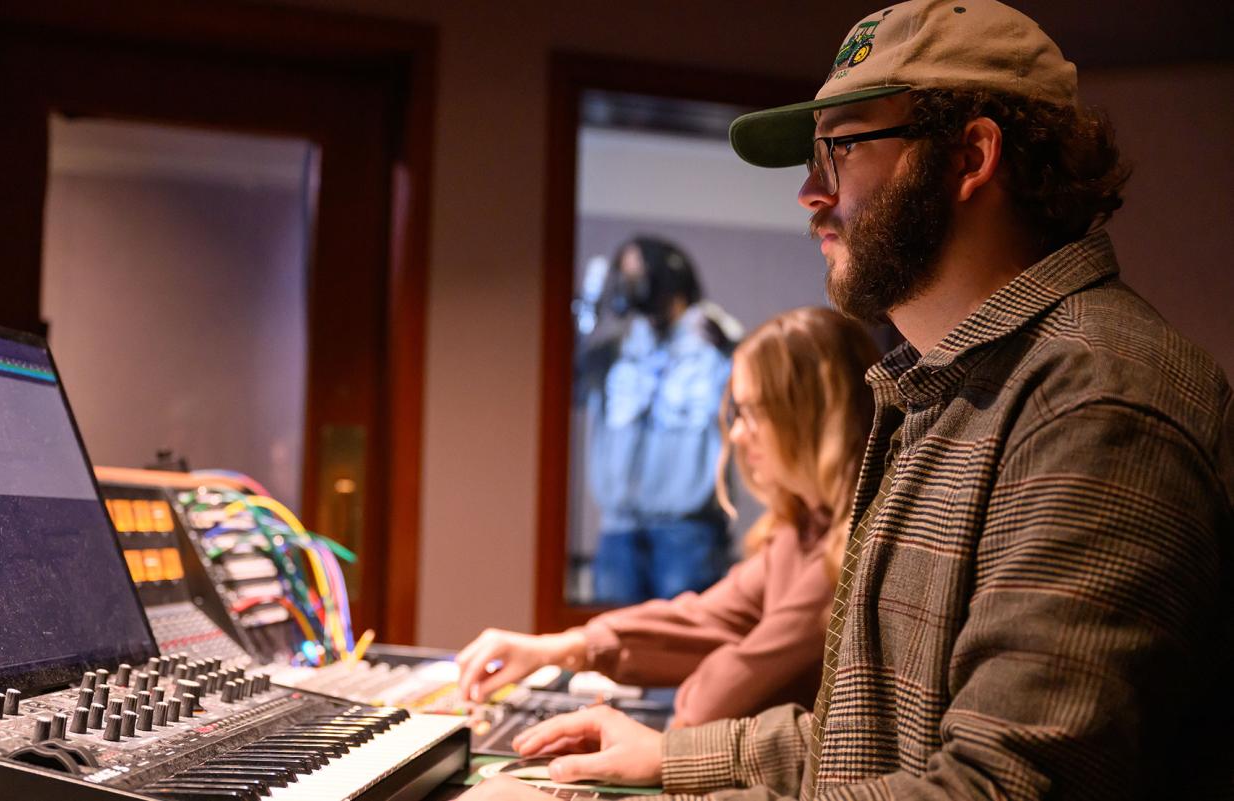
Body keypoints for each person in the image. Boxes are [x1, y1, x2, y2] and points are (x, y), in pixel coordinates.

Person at [465, 1, 1234, 799]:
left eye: (840, 150)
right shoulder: (953, 390)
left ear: (970, 157)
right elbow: (875, 737)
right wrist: (674, 759)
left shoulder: (1094, 403)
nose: (807, 192)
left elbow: (997, 787)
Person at [457, 307, 880, 727]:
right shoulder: (804, 528)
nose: (735, 433)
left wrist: (698, 678)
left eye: (754, 412)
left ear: (812, 418)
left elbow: (707, 705)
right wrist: (560, 647)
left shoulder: (850, 548)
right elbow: (705, 617)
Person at [578, 235, 737, 604]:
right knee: (611, 640)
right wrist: (591, 305)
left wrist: (730, 343)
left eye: (637, 275)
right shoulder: (616, 351)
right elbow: (568, 379)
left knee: (682, 646)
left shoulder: (715, 344)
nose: (629, 286)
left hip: (688, 531)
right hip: (618, 529)